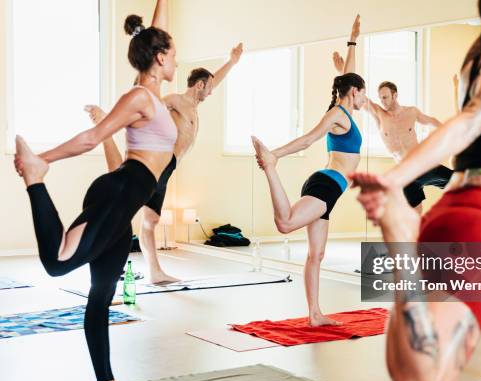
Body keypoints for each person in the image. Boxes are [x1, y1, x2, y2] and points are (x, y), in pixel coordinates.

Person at [350, 0, 481, 381]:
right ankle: (401, 235)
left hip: (453, 217)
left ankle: (404, 242)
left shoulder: (476, 61)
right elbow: (467, 123)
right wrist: (392, 182)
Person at [13, 1, 177, 381]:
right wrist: (42, 161)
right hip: (118, 192)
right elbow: (92, 138)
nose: (176, 59)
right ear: (159, 58)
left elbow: (157, 32)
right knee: (57, 263)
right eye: (173, 54)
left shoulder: (153, 93)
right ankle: (36, 182)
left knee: (101, 294)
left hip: (125, 203)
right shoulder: (139, 97)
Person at [86, 43, 244, 285]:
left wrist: (232, 62)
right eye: (209, 88)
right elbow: (145, 104)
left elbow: (215, 80)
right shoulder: (175, 100)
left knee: (150, 221)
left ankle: (155, 272)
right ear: (199, 85)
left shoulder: (194, 107)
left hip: (168, 168)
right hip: (159, 160)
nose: (212, 92)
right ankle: (104, 126)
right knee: (124, 198)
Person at [251, 15, 365, 326]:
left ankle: (315, 314)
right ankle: (270, 171)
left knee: (317, 255)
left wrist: (353, 39)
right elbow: (309, 139)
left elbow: (349, 77)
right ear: (354, 93)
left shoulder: (344, 108)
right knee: (285, 224)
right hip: (327, 185)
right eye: (362, 92)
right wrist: (274, 155)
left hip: (330, 187)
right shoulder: (338, 114)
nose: (364, 98)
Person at [332, 52, 450, 212]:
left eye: (385, 97)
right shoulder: (379, 114)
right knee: (415, 211)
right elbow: (355, 95)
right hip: (405, 172)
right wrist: (342, 73)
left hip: (424, 165)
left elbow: (432, 121)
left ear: (395, 95)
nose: (382, 101)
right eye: (380, 98)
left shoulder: (411, 112)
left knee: (461, 181)